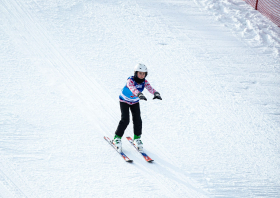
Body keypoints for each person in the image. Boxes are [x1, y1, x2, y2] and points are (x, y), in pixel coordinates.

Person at [113, 63, 162, 152]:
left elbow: (150, 88)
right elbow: (132, 88)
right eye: (140, 73)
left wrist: (155, 93)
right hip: (124, 100)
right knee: (125, 119)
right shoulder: (130, 81)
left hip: (134, 101)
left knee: (137, 119)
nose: (142, 75)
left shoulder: (144, 82)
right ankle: (117, 137)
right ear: (135, 73)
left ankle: (137, 138)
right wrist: (139, 94)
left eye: (144, 74)